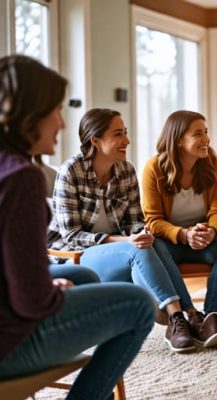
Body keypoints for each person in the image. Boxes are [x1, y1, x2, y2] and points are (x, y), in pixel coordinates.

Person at [0, 55, 154, 399]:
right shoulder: (20, 178)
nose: (63, 124)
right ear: (29, 115)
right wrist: (51, 292)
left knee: (82, 277)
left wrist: (49, 284)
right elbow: (30, 302)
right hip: (8, 346)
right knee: (139, 304)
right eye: (55, 111)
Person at [48, 108, 199, 353]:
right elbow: (71, 235)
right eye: (118, 134)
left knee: (154, 243)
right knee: (134, 248)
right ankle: (177, 317)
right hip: (75, 258)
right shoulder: (71, 172)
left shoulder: (126, 171)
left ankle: (188, 315)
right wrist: (127, 239)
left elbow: (134, 221)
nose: (126, 141)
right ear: (95, 140)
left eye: (126, 133)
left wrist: (140, 233)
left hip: (116, 254)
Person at [142, 110, 217, 348]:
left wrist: (212, 232)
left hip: (205, 241)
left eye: (206, 132)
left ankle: (211, 316)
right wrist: (184, 234)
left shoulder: (212, 164)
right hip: (171, 243)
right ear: (178, 139)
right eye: (198, 134)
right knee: (153, 245)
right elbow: (153, 220)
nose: (206, 139)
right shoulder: (154, 168)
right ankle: (189, 314)